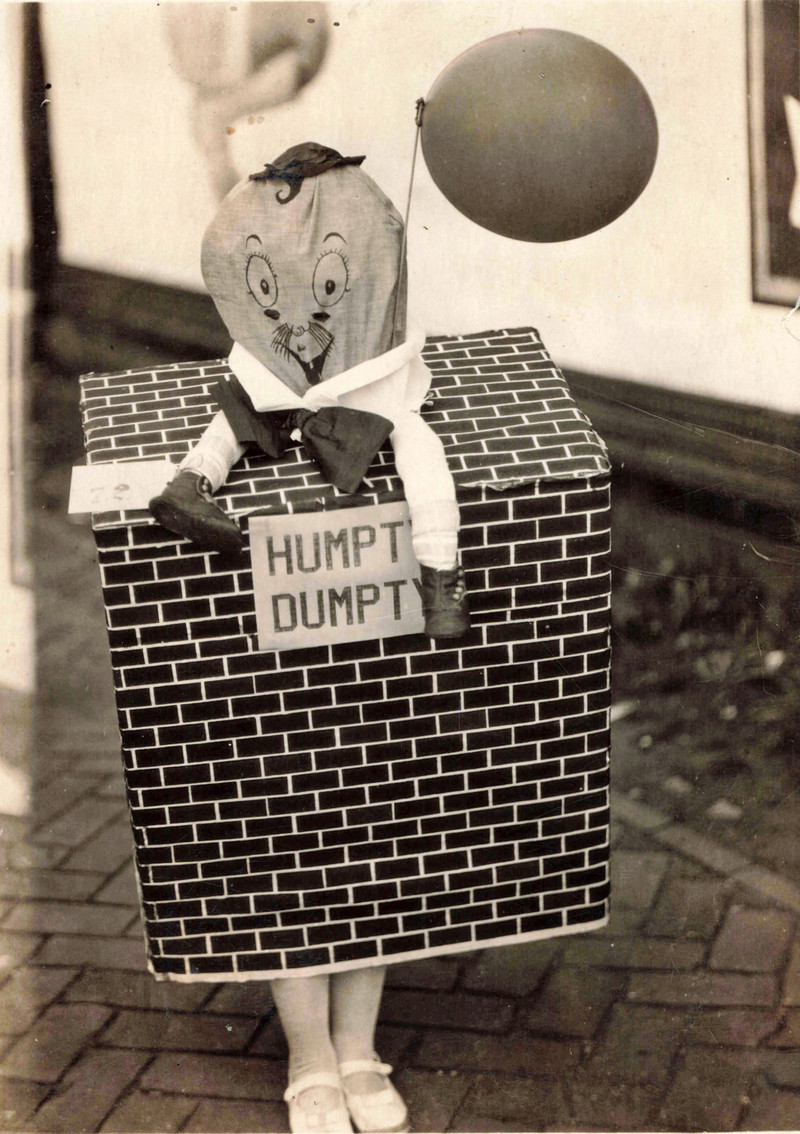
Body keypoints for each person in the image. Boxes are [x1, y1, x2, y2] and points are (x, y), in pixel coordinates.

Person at [149, 142, 469, 639]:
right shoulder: (357, 206)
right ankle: (441, 576)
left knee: (241, 413)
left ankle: (192, 479)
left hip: (302, 381)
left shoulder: (262, 206)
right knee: (417, 445)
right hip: (359, 383)